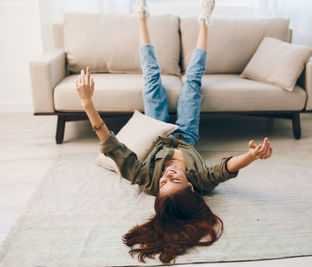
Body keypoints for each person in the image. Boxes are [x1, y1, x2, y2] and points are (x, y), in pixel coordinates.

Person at [75, 0, 272, 264]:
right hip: (187, 133)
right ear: (190, 186)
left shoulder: (145, 178)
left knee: (152, 77)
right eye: (174, 180)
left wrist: (87, 104)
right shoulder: (200, 180)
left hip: (156, 129)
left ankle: (141, 16)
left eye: (163, 184)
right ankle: (204, 20)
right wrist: (252, 156)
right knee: (192, 81)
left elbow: (113, 146)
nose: (167, 176)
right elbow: (225, 169)